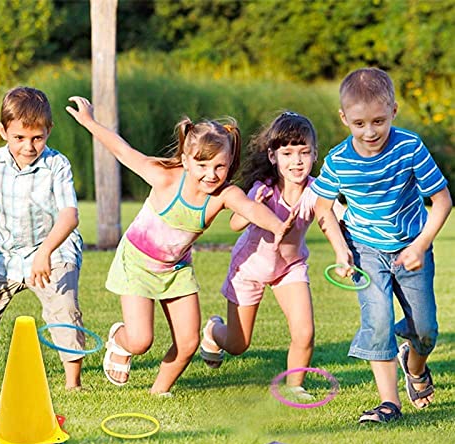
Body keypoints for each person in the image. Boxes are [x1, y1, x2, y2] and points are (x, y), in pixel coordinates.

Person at [66, 96, 295, 395]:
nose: (211, 174)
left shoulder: (223, 195)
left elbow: (250, 208)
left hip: (176, 270)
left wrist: (278, 226)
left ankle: (158, 392)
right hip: (137, 264)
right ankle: (120, 341)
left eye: (220, 166)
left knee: (187, 343)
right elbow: (123, 150)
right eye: (202, 164)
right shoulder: (164, 178)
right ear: (186, 160)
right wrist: (89, 122)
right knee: (140, 341)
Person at [311, 68, 452, 423]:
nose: (369, 131)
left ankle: (414, 365)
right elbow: (322, 206)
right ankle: (389, 403)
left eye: (378, 120)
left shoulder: (409, 147)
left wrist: (420, 246)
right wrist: (341, 249)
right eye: (359, 123)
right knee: (377, 319)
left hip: (411, 247)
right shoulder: (339, 160)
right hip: (365, 251)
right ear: (344, 118)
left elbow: (443, 200)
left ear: (393, 111)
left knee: (425, 330)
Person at [199, 112, 344, 398]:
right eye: (287, 153)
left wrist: (343, 251)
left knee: (304, 332)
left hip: (289, 268)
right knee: (238, 345)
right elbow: (235, 223)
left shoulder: (316, 191)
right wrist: (253, 205)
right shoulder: (262, 189)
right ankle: (213, 330)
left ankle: (295, 386)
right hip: (249, 268)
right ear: (273, 156)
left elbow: (333, 217)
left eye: (304, 152)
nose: (297, 161)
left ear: (315, 155)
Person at [0, 87, 85, 390]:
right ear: (3, 131)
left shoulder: (57, 165)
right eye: (19, 138)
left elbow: (69, 216)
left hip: (55, 249)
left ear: (48, 130)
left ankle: (73, 384)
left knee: (63, 308)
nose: (28, 146)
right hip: (8, 252)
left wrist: (45, 253)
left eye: (37, 137)